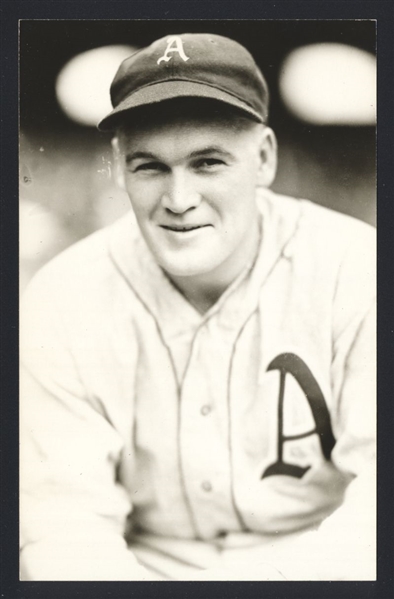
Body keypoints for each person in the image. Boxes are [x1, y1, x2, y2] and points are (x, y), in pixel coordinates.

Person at [20, 33, 376, 581]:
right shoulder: (64, 297)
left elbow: (378, 509)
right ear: (117, 167)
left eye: (208, 163)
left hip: (322, 569)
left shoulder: (357, 272)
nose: (179, 200)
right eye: (150, 167)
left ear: (263, 158)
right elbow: (63, 521)